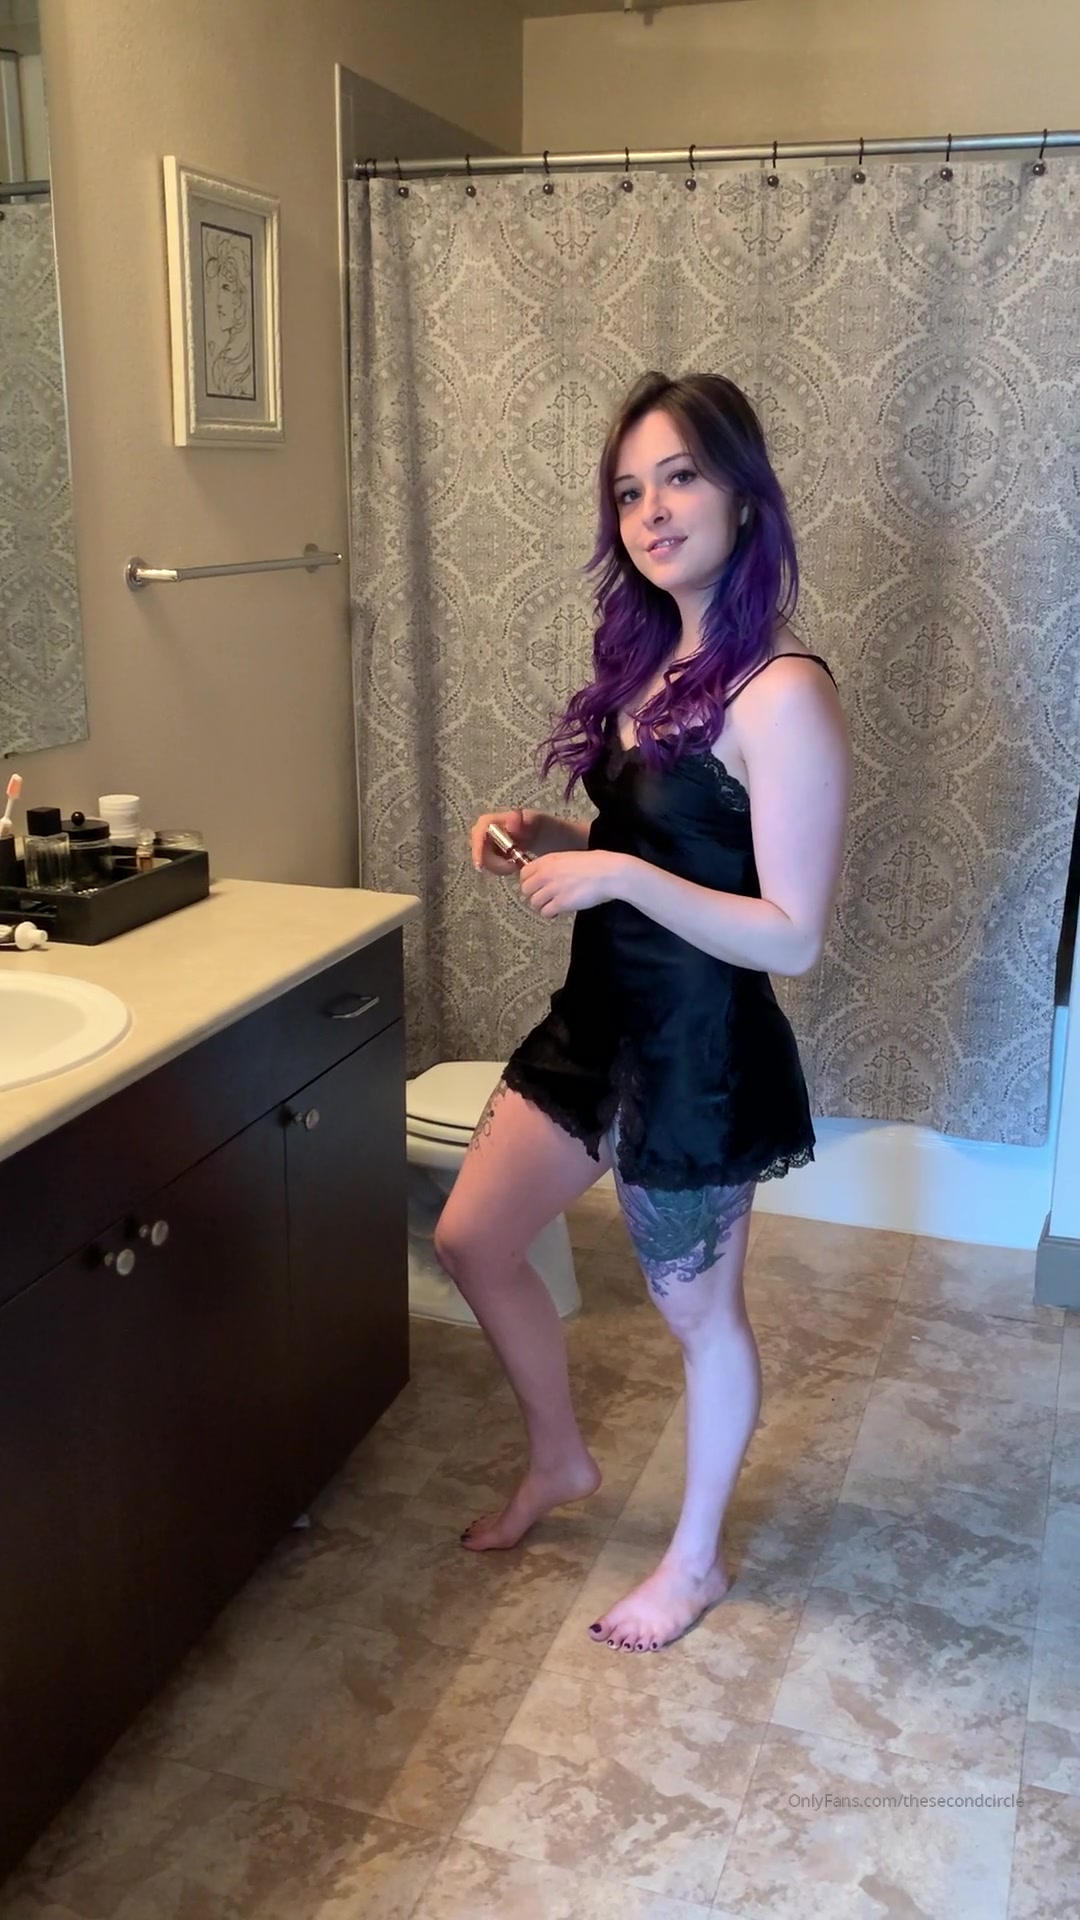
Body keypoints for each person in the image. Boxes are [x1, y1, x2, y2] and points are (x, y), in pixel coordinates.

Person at [435, 370, 850, 1653]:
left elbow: (791, 933)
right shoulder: (648, 666)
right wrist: (550, 838)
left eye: (680, 478)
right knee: (471, 1239)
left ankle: (696, 1560)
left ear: (743, 495)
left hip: (698, 1057)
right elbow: (650, 848)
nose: (653, 511)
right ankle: (561, 1459)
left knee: (700, 1321)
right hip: (595, 1027)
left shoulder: (782, 692)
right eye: (628, 491)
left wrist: (617, 875)